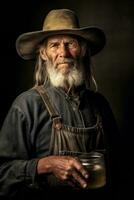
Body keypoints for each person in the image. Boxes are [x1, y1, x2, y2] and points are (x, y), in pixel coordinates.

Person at [0, 9, 119, 200]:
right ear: (44, 53)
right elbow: (2, 174)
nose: (63, 53)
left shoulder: (99, 105)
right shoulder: (26, 105)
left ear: (83, 49)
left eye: (70, 44)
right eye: (54, 45)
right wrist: (46, 165)